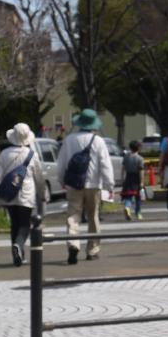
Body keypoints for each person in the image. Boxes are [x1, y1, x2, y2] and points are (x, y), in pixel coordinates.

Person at [57, 108, 114, 264]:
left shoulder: (69, 140)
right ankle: (92, 250)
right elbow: (105, 164)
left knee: (73, 215)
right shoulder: (98, 141)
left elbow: (62, 162)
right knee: (93, 216)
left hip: (74, 184)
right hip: (93, 184)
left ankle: (73, 243)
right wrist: (109, 185)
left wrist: (62, 180)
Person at [0, 122, 47, 268]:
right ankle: (19, 246)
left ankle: (18, 254)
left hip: (9, 195)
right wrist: (42, 194)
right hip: (26, 194)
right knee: (25, 224)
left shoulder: (4, 154)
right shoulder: (32, 155)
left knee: (14, 224)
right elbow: (39, 178)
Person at [120, 139, 145, 221]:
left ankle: (127, 207)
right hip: (136, 178)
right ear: (139, 148)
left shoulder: (126, 157)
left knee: (128, 196)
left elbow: (123, 169)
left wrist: (122, 178)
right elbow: (141, 171)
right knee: (138, 197)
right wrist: (142, 182)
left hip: (128, 177)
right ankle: (138, 213)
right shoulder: (140, 158)